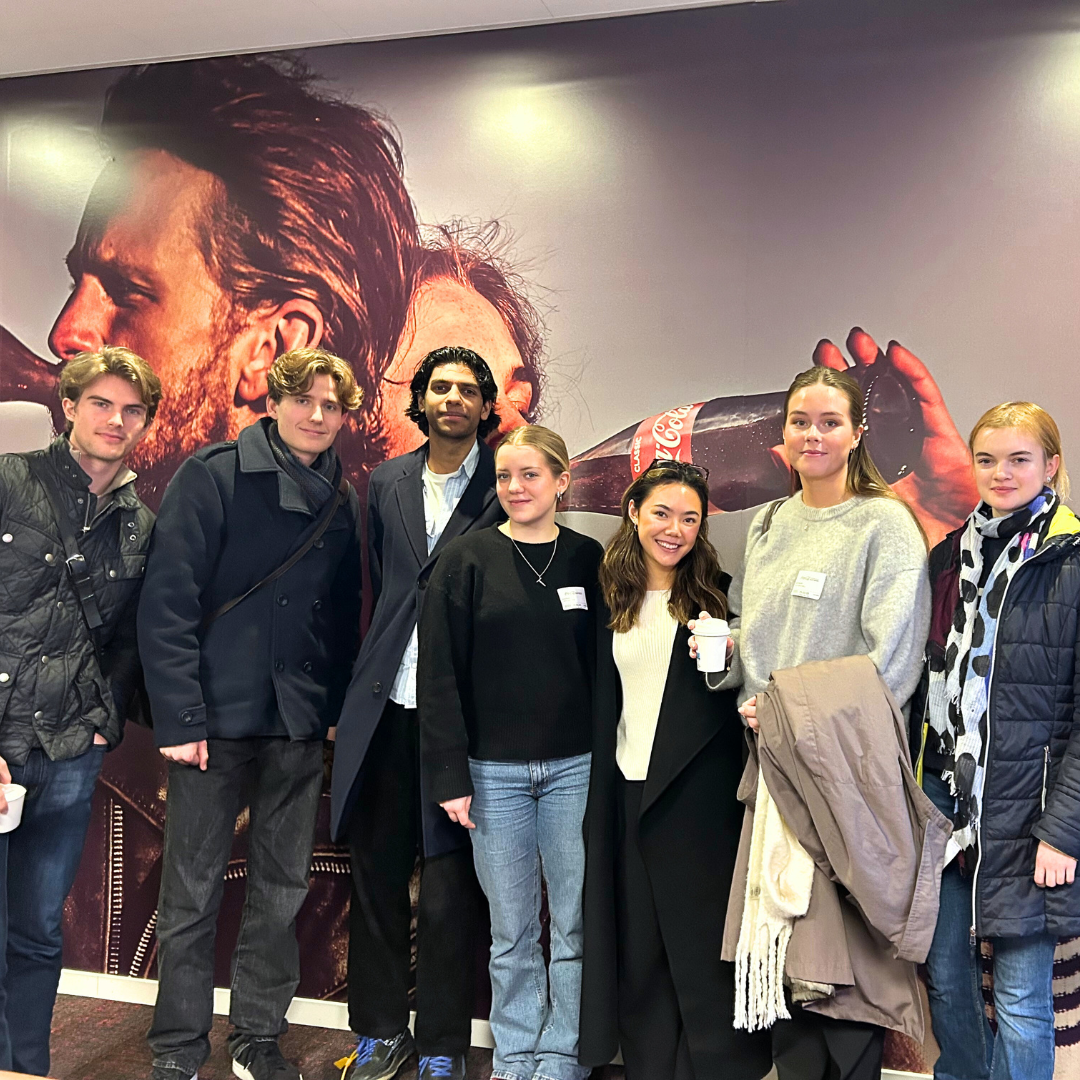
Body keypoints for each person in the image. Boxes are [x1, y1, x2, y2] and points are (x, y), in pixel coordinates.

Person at [137, 347, 364, 1080]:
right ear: (276, 400)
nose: (318, 416)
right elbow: (167, 604)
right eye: (306, 401)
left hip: (296, 726)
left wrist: (329, 710)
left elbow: (341, 619)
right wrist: (179, 720)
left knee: (281, 887)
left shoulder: (344, 494)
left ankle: (257, 1039)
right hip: (212, 721)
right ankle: (176, 1049)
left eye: (333, 406)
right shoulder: (214, 475)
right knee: (191, 891)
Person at [702, 365, 930, 1080]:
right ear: (784, 432)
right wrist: (723, 656)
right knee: (788, 971)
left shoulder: (885, 524)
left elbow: (890, 667)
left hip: (844, 777)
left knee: (842, 975)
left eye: (830, 421)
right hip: (772, 774)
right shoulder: (769, 523)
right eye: (801, 420)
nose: (814, 434)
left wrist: (788, 714)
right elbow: (758, 648)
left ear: (858, 432)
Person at [330, 346, 506, 1080]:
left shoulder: (507, 482)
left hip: (459, 719)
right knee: (374, 879)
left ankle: (441, 1046)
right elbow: (376, 585)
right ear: (423, 400)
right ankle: (377, 1034)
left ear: (486, 406)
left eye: (468, 390)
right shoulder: (388, 480)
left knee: (447, 895)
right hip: (384, 710)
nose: (454, 399)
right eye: (441, 387)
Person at [578, 458, 772, 1080]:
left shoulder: (720, 593)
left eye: (690, 517)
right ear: (634, 512)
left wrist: (726, 653)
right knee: (640, 952)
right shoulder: (607, 594)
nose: (675, 529)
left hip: (698, 799)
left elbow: (737, 691)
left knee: (700, 948)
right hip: (625, 793)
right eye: (662, 513)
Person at [418, 425, 602, 1080]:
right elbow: (437, 677)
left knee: (576, 927)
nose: (516, 488)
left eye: (530, 475)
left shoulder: (589, 561)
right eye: (504, 477)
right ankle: (517, 1055)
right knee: (512, 932)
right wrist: (450, 774)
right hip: (491, 775)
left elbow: (605, 672)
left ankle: (562, 1057)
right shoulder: (464, 561)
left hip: (575, 771)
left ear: (561, 480)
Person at [0, 345, 160, 1076]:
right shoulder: (9, 480)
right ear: (68, 405)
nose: (115, 420)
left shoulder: (141, 523)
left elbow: (128, 641)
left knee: (36, 928)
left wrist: (104, 719)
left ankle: (26, 1067)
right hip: (1, 739)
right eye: (100, 402)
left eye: (131, 409)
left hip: (70, 750)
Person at [915, 402, 1080, 1080]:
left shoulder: (1070, 561)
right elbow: (923, 679)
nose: (1001, 473)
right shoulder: (948, 555)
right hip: (941, 804)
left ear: (1052, 466)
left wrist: (1064, 832)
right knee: (948, 982)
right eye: (987, 459)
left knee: (1018, 999)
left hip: (1028, 814)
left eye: (1019, 459)